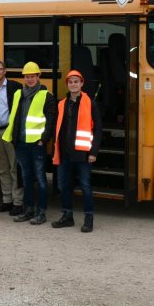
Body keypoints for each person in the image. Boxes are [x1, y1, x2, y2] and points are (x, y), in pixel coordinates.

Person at [3, 61, 57, 225]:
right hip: (20, 143)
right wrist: (12, 137)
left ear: (38, 76)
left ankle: (41, 212)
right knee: (25, 178)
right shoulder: (18, 94)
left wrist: (43, 140)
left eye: (33, 76)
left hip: (36, 144)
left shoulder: (46, 96)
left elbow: (51, 120)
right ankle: (28, 210)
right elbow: (14, 117)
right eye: (27, 77)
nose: (30, 79)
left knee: (40, 179)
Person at [52, 70, 102, 233]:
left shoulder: (90, 103)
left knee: (86, 186)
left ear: (82, 84)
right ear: (67, 84)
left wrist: (94, 152)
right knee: (63, 185)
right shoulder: (61, 104)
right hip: (65, 152)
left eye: (76, 81)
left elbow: (98, 129)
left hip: (83, 154)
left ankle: (89, 218)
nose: (73, 84)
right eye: (70, 81)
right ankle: (67, 216)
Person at [0, 59, 24, 216]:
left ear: (4, 71)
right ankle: (7, 200)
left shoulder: (15, 87)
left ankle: (18, 202)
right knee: (2, 168)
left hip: (10, 131)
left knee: (14, 167)